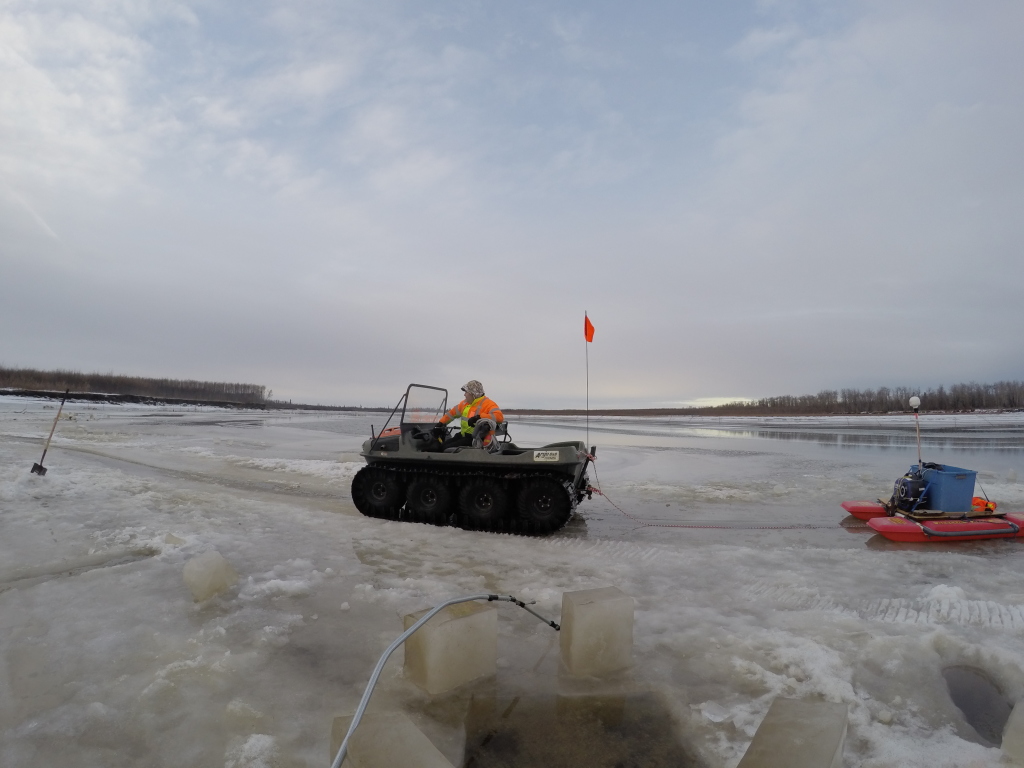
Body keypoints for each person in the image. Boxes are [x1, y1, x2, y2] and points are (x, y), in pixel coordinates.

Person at [429, 380, 504, 451]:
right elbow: (451, 414)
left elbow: (499, 417)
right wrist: (440, 424)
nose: (464, 394)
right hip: (463, 435)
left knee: (445, 448)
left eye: (466, 392)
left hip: (475, 439)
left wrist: (479, 417)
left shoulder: (488, 404)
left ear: (473, 393)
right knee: (442, 446)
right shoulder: (465, 403)